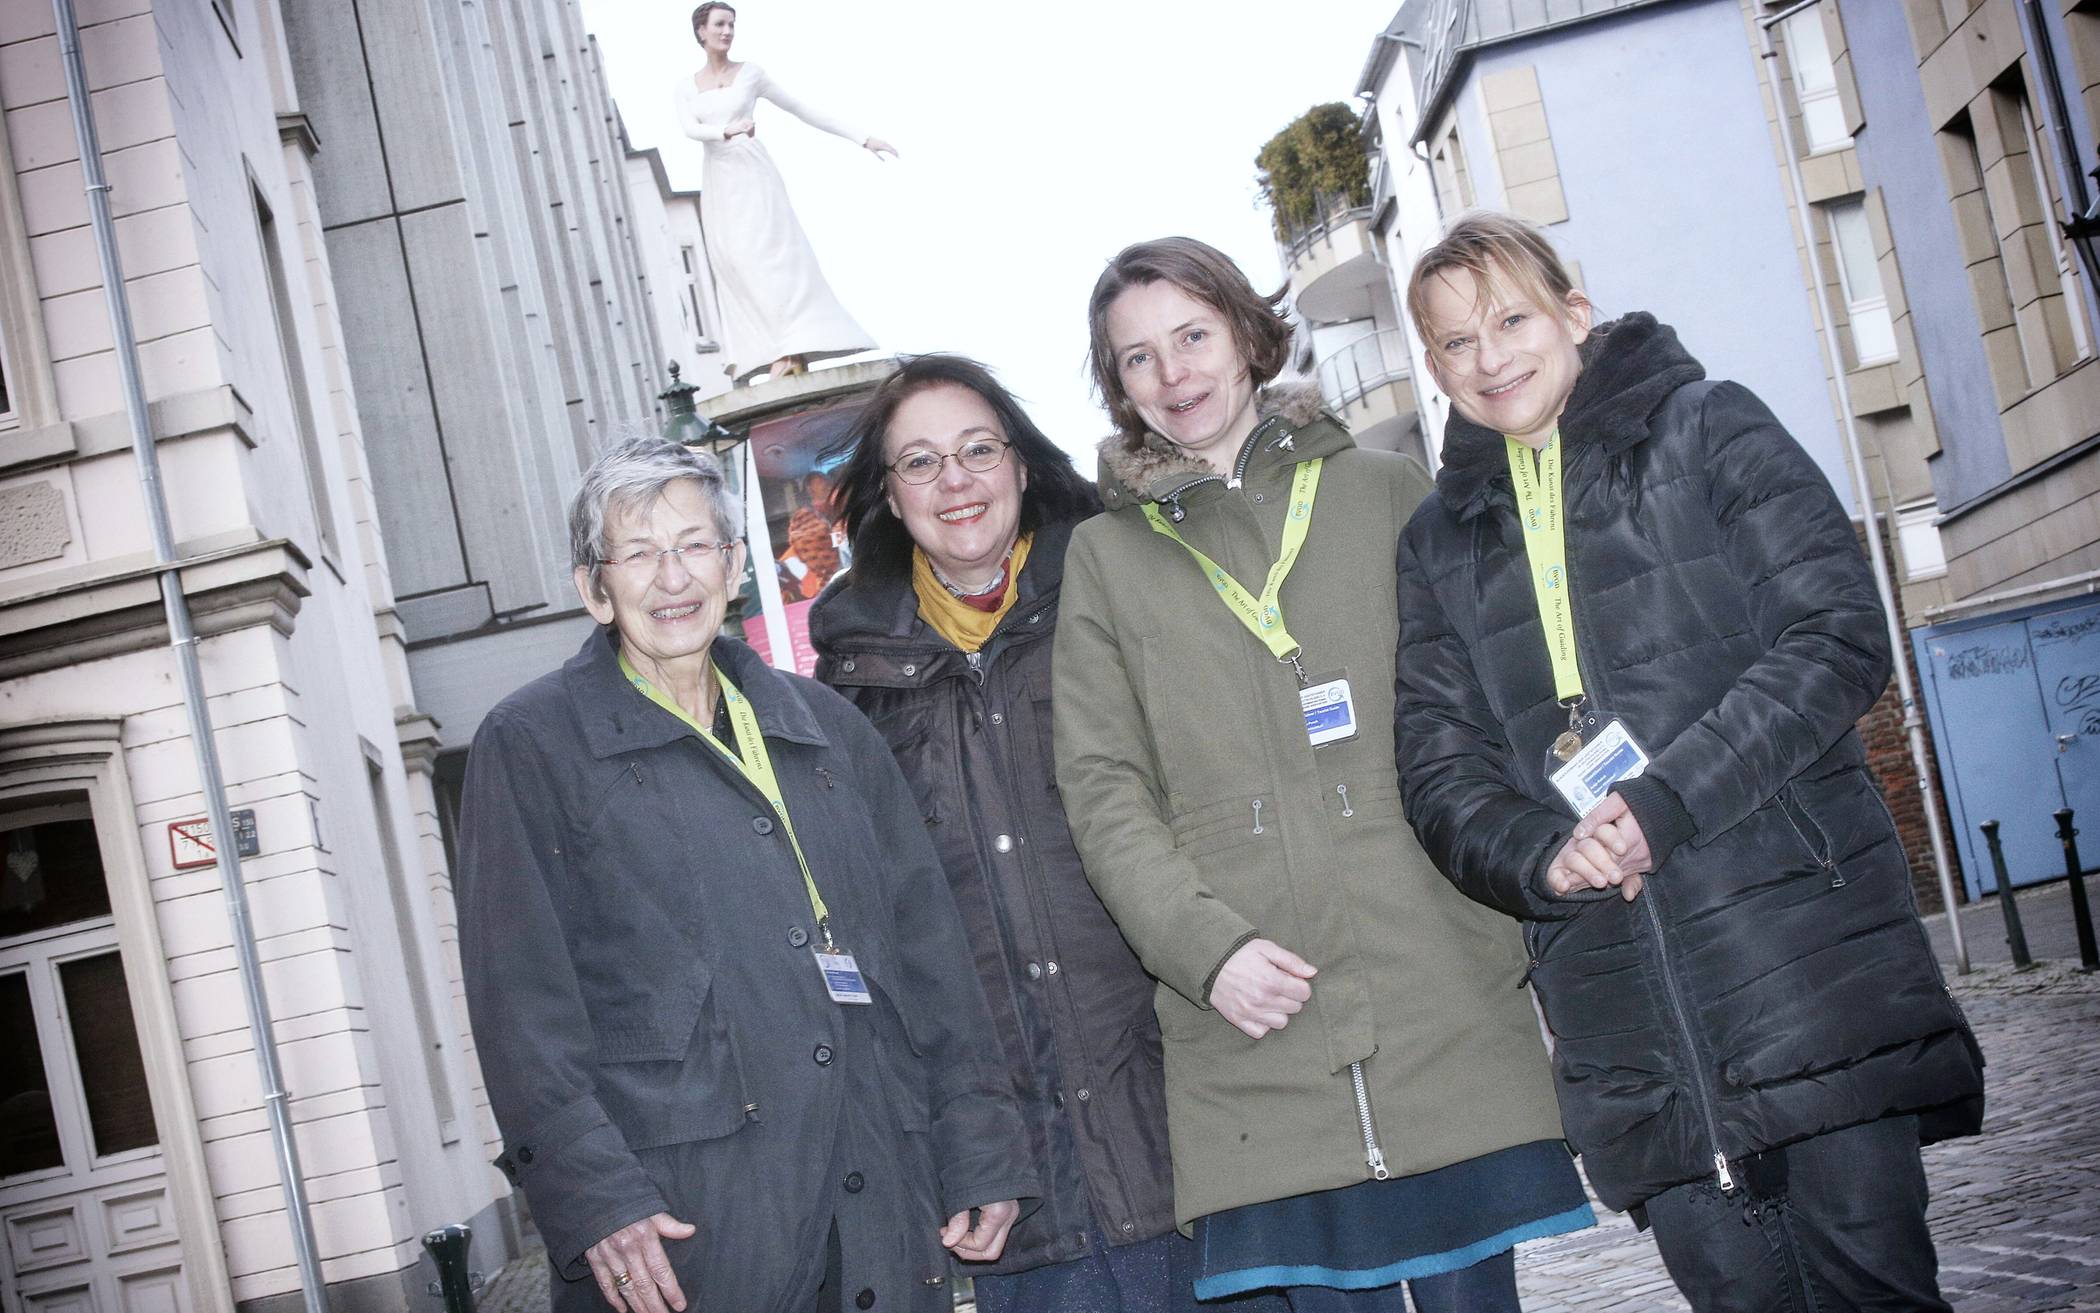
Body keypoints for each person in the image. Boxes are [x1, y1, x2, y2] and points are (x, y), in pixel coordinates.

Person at [1392, 211, 1986, 1312]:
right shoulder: (1439, 540)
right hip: (1625, 1019)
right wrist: (1540, 853)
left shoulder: (1709, 427)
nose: (1491, 357)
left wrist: (1665, 801)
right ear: (1434, 369)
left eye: (1512, 318)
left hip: (1806, 965)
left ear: (1576, 312)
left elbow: (1838, 632)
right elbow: (1437, 769)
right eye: (1457, 343)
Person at [1053, 237, 1590, 1311]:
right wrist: (1206, 951)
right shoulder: (1104, 562)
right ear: (1118, 387)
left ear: (1249, 335)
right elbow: (1104, 788)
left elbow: (1483, 714)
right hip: (1257, 1033)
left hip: (1436, 998)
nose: (1176, 373)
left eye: (1194, 335)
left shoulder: (1388, 491)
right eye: (1139, 357)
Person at [456, 434, 1036, 1313]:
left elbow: (931, 954)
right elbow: (520, 1008)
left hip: (876, 1187)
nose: (673, 577)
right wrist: (596, 1196)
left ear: (734, 567)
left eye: (694, 546)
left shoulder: (830, 729)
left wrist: (980, 1138)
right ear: (593, 588)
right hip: (693, 1225)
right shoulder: (534, 745)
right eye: (640, 553)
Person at [809, 355, 1193, 1311]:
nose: (957, 481)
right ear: (889, 500)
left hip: (1185, 1124)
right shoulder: (847, 690)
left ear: (1022, 465)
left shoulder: (1122, 597)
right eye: (922, 462)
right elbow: (872, 935)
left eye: (979, 449)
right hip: (1018, 1178)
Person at [673, 2, 895, 382]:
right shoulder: (686, 86)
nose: (727, 31)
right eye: (720, 24)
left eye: (732, 25)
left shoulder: (751, 74)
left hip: (753, 173)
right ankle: (771, 346)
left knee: (772, 257)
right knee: (738, 262)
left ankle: (792, 347)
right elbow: (689, 128)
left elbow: (800, 107)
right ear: (701, 32)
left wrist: (862, 138)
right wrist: (723, 131)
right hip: (720, 179)